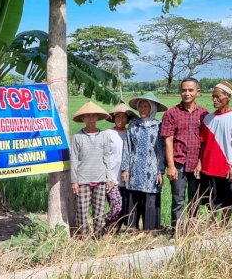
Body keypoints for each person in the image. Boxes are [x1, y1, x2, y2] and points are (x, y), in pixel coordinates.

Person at [194, 81, 232, 226]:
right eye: (213, 96)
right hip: (208, 166)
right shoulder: (207, 119)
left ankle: (224, 226)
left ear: (228, 97)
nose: (214, 100)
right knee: (210, 199)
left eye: (218, 97)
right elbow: (203, 143)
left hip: (226, 167)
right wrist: (199, 163)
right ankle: (212, 224)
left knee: (227, 199)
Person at [160, 78, 209, 233]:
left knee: (195, 199)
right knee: (178, 199)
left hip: (196, 164)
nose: (187, 93)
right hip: (178, 162)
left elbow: (205, 142)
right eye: (184, 90)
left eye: (190, 90)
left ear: (197, 92)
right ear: (180, 91)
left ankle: (192, 229)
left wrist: (200, 163)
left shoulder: (204, 114)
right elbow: (168, 141)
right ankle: (178, 231)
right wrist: (171, 166)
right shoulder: (171, 113)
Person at [121, 93, 167, 231]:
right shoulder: (133, 125)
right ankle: (132, 228)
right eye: (140, 106)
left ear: (152, 108)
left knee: (150, 197)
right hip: (134, 168)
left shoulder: (158, 126)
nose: (142, 109)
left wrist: (160, 171)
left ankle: (150, 229)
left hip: (151, 169)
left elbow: (161, 151)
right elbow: (127, 147)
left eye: (145, 106)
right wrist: (125, 169)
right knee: (134, 196)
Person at [70, 101, 114, 238]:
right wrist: (74, 181)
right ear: (82, 119)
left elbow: (107, 158)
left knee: (99, 210)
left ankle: (98, 236)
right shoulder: (77, 137)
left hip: (100, 178)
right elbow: (74, 160)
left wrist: (109, 178)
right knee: (82, 210)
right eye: (87, 116)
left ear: (97, 118)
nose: (90, 118)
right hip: (83, 179)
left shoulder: (104, 136)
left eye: (93, 116)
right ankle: (82, 236)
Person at [104, 102, 136, 231]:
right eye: (118, 117)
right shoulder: (107, 134)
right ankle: (106, 227)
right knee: (117, 205)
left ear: (128, 119)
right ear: (114, 118)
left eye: (123, 117)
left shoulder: (130, 133)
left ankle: (114, 232)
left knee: (124, 209)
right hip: (111, 177)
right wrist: (108, 178)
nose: (120, 120)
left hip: (126, 178)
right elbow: (103, 156)